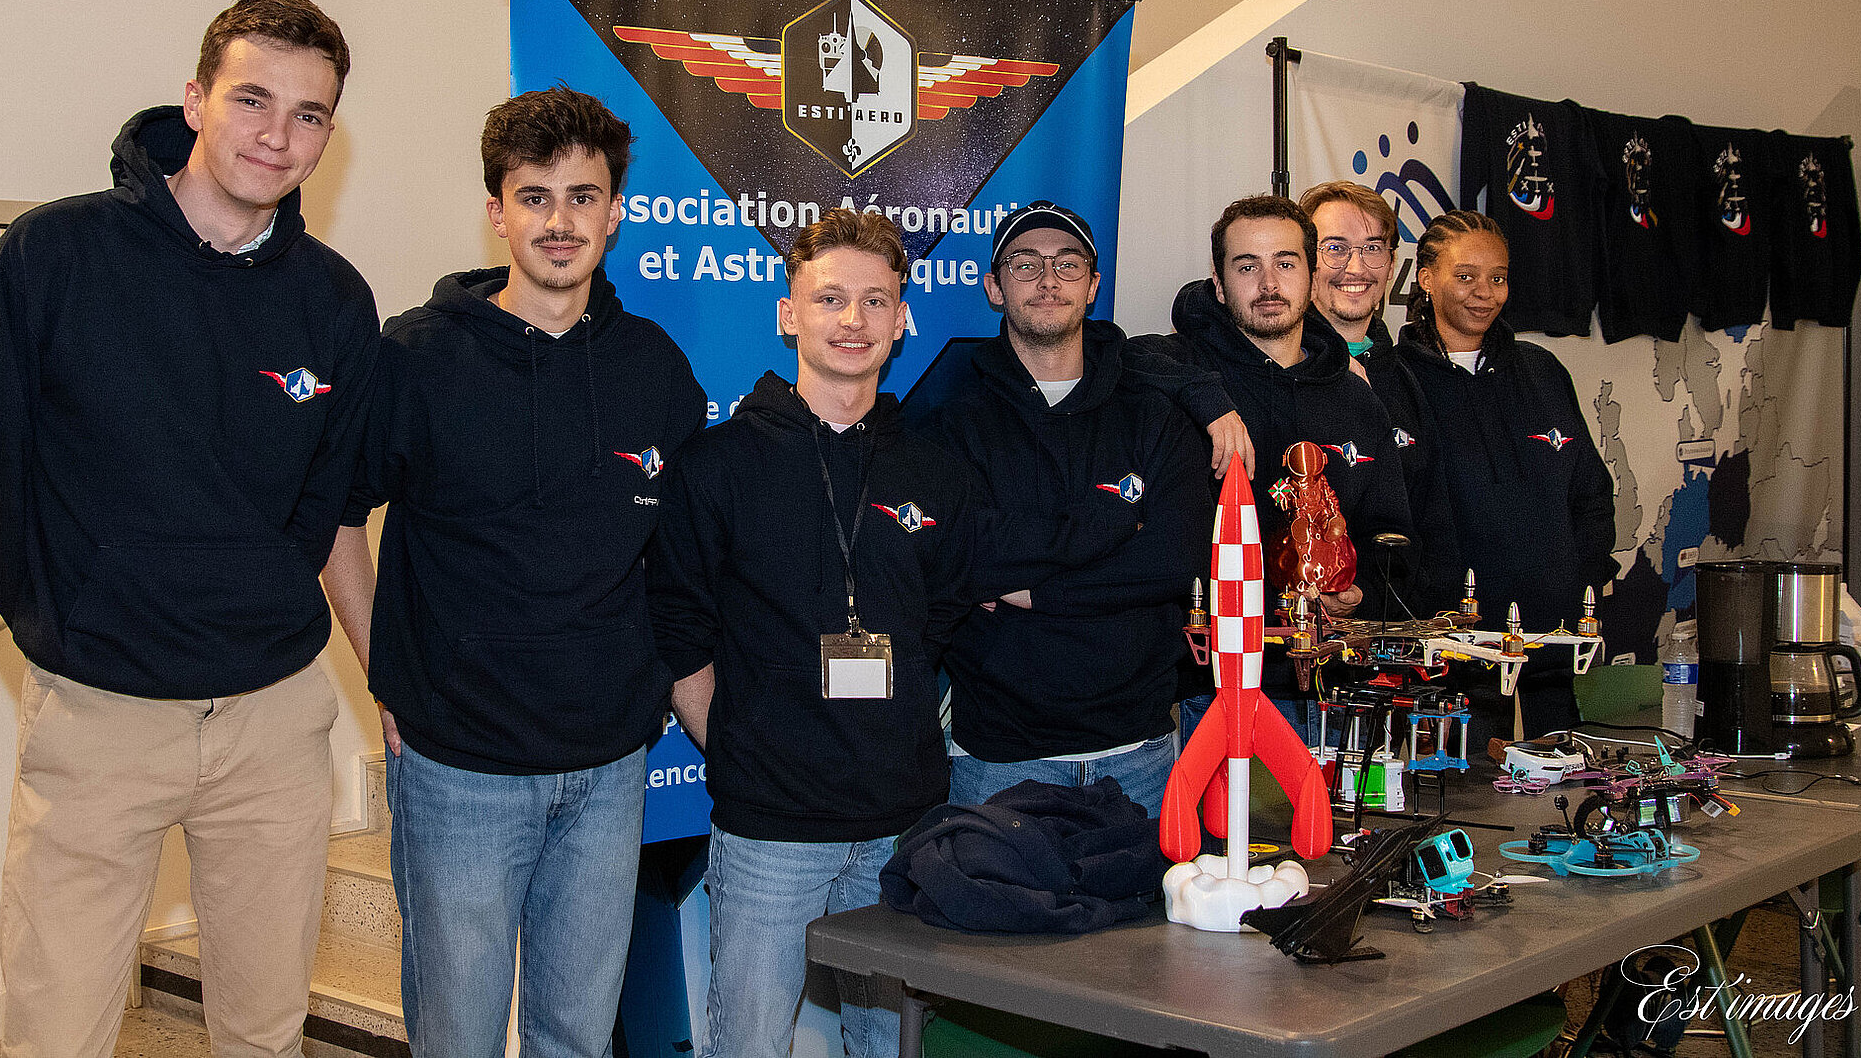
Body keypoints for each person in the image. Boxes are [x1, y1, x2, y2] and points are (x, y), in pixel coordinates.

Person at [0, 0, 376, 1058]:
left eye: (309, 115)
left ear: (328, 134)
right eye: (252, 99)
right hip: (100, 710)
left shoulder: (333, 299)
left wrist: (287, 616)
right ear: (194, 100)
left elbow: (327, 505)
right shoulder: (52, 257)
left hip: (271, 719)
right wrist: (65, 621)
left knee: (264, 1029)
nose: (277, 135)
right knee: (58, 1027)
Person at [320, 88, 706, 1057]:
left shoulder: (655, 370)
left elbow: (680, 560)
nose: (559, 222)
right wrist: (385, 672)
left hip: (609, 769)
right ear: (497, 212)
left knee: (575, 1034)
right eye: (535, 197)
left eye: (583, 197)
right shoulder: (417, 357)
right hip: (459, 768)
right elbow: (333, 520)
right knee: (456, 1033)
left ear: (616, 212)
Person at [648, 209, 973, 1058]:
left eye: (875, 300)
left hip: (902, 822)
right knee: (748, 1043)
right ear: (789, 313)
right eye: (830, 298)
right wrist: (742, 747)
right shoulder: (718, 464)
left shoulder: (934, 469)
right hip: (769, 830)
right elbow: (678, 632)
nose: (853, 319)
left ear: (902, 319)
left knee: (889, 1044)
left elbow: (941, 621)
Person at [922, 201, 1205, 814]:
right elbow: (962, 554)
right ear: (995, 288)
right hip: (997, 758)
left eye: (1067, 264)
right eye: (1025, 264)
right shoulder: (950, 423)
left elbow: (1172, 561)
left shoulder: (1154, 417)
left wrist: (1039, 590)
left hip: (1141, 753)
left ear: (1093, 286)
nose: (1048, 279)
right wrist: (1115, 528)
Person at [1127, 195, 1413, 741]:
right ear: (1218, 284)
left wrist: (1358, 597)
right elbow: (1116, 354)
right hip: (1210, 692)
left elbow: (1393, 538)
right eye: (1246, 266)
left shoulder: (1357, 400)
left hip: (1336, 692)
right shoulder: (1183, 376)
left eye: (1285, 262)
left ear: (1311, 273)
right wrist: (1207, 399)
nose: (1268, 284)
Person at [1396, 210, 1619, 740]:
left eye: (1498, 278)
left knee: (1559, 777)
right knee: (1463, 782)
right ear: (1426, 279)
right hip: (1451, 654)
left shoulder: (1542, 371)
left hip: (1551, 643)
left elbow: (1590, 492)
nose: (1485, 293)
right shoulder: (1389, 379)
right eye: (1465, 276)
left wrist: (1579, 578)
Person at [1299, 180, 1461, 612]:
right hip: (1294, 631)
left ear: (1391, 266)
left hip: (1397, 630)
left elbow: (1433, 521)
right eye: (1335, 248)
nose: (1355, 268)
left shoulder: (1408, 377)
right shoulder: (1278, 367)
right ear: (1302, 261)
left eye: (1372, 248)